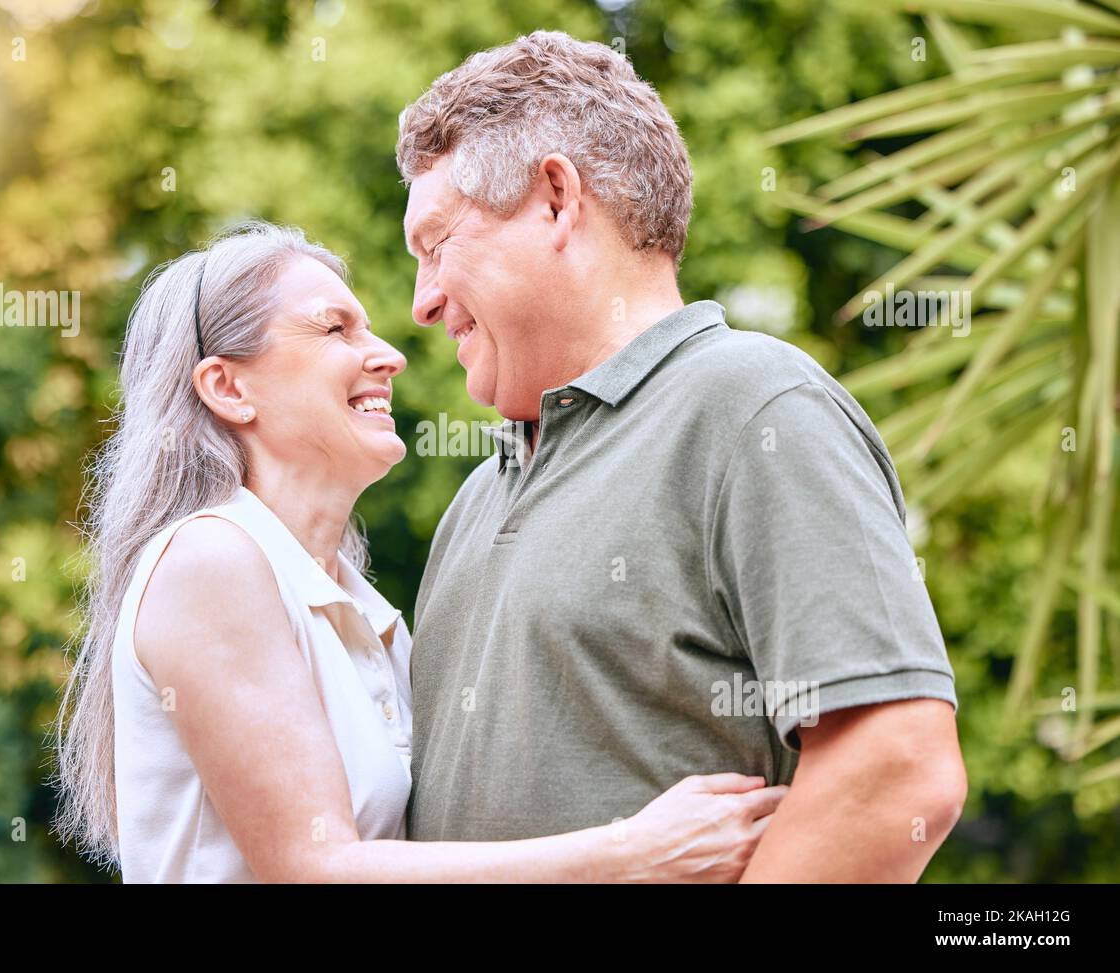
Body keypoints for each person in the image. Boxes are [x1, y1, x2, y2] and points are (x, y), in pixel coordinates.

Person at [53, 221, 787, 882]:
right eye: (335, 329)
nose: (389, 355)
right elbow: (316, 868)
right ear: (228, 387)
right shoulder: (209, 559)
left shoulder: (357, 604)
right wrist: (633, 854)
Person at [396, 30, 967, 881]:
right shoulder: (476, 496)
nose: (422, 302)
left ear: (556, 198)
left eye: (437, 246)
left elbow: (899, 772)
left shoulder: (750, 405)